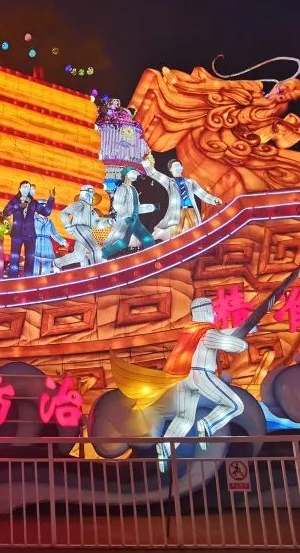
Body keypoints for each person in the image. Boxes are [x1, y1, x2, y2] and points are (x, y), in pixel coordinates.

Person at [156, 298, 248, 472]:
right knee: (235, 405)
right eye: (211, 310)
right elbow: (231, 344)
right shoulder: (208, 333)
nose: (214, 314)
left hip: (183, 378)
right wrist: (242, 344)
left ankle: (165, 446)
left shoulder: (189, 332)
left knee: (184, 418)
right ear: (205, 311)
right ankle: (208, 424)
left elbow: (222, 335)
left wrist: (239, 330)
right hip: (201, 375)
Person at [143, 154, 222, 241]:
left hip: (191, 211)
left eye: (178, 166)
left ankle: (196, 247)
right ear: (170, 170)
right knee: (176, 236)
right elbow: (154, 174)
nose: (177, 168)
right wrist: (146, 162)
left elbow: (202, 194)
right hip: (177, 212)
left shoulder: (190, 182)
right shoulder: (169, 182)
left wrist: (214, 200)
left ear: (182, 167)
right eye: (174, 166)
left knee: (194, 234)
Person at [101, 166, 156, 259]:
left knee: (148, 238)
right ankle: (102, 254)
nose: (135, 175)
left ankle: (152, 257)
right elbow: (116, 205)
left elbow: (137, 206)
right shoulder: (122, 189)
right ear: (126, 175)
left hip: (135, 219)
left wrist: (151, 207)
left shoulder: (133, 189)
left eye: (135, 173)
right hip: (127, 220)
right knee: (123, 243)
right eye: (133, 172)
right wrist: (125, 217)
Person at [53, 186, 113, 270]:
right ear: (85, 193)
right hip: (79, 227)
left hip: (87, 230)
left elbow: (97, 224)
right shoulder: (80, 204)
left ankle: (57, 263)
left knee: (78, 256)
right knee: (95, 249)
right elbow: (64, 213)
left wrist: (108, 222)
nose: (92, 195)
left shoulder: (91, 210)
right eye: (90, 192)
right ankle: (98, 270)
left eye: (92, 193)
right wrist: (67, 226)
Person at [2, 181, 55, 277]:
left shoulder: (33, 202)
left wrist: (51, 199)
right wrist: (18, 206)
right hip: (17, 234)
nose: (26, 188)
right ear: (19, 188)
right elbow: (5, 212)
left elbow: (46, 212)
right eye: (24, 186)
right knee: (14, 258)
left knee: (30, 259)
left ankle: (28, 278)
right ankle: (12, 278)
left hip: (30, 235)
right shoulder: (14, 200)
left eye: (28, 187)